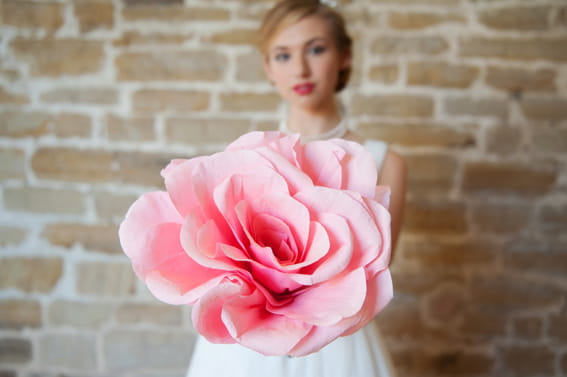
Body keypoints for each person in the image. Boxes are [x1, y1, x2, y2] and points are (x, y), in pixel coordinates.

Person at [186, 1, 407, 376]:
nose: (300, 69)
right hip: (250, 346)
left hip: (339, 347)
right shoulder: (247, 156)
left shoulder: (383, 162)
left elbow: (377, 274)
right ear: (268, 69)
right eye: (283, 55)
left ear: (344, 56)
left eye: (316, 49)